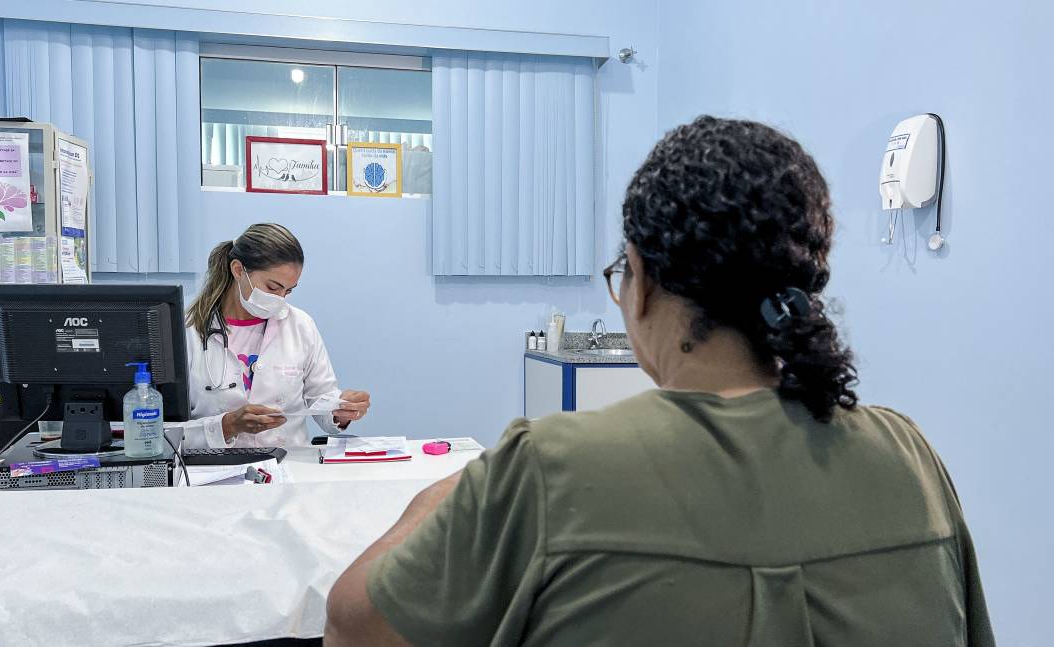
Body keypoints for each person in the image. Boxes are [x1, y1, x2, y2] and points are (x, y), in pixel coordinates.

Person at [324, 117, 994, 646]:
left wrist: (438, 499)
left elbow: (354, 626)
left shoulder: (550, 470)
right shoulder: (911, 459)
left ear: (639, 279)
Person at [182, 223, 370, 448]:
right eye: (272, 287)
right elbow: (166, 431)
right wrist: (228, 425)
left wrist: (341, 410)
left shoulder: (300, 325)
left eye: (288, 290)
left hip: (287, 464)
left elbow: (321, 398)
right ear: (239, 270)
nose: (280, 298)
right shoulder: (189, 330)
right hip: (213, 471)